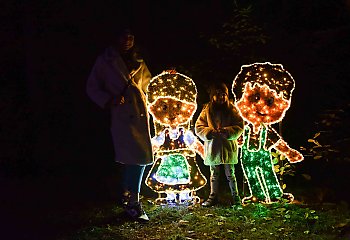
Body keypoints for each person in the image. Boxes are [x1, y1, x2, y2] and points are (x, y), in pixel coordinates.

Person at [86, 28, 153, 221]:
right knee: (136, 157)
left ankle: (128, 195)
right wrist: (109, 100)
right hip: (123, 115)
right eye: (124, 37)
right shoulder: (105, 60)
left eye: (131, 37)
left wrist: (164, 79)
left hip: (140, 113)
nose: (128, 41)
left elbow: (149, 84)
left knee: (138, 157)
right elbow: (92, 86)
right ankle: (133, 202)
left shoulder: (138, 59)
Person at [195, 83, 244, 207]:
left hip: (228, 147)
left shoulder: (232, 109)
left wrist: (228, 132)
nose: (221, 97)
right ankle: (213, 196)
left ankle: (235, 196)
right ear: (212, 97)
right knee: (214, 174)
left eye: (224, 95)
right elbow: (199, 126)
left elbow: (239, 125)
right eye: (218, 95)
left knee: (231, 174)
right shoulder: (207, 110)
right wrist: (209, 133)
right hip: (213, 147)